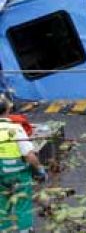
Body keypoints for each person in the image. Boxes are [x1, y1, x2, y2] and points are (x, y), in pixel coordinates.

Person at [0, 94, 46, 232]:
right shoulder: (15, 129)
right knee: (23, 203)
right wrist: (39, 170)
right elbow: (29, 156)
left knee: (2, 205)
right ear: (8, 110)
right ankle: (25, 230)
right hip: (19, 174)